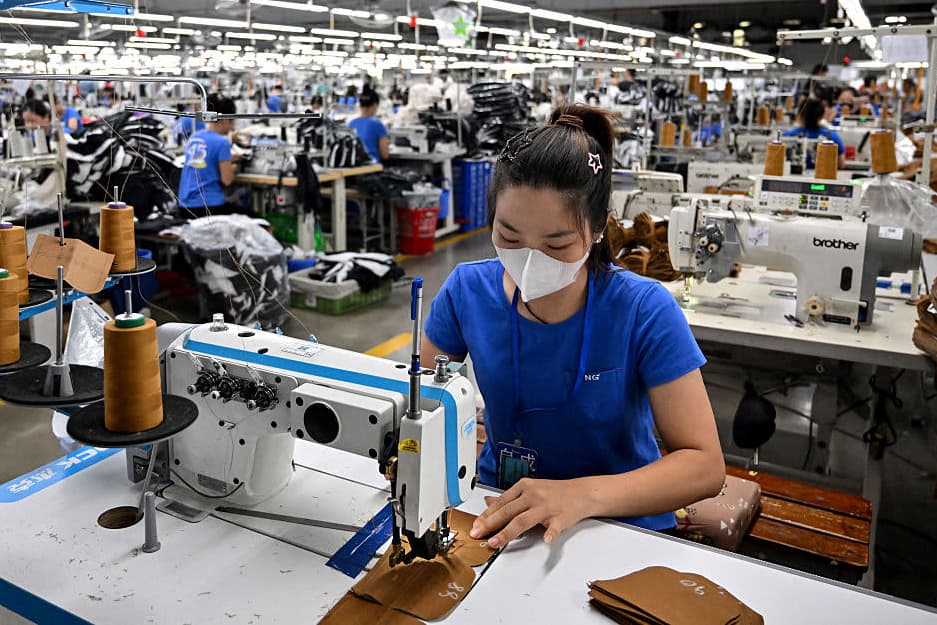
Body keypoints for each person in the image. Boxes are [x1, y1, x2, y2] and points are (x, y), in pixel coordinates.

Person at [423, 105, 725, 549]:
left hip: (620, 522)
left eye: (556, 244)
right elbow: (423, 407)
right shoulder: (467, 291)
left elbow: (704, 465)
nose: (529, 259)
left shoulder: (643, 310)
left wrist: (580, 495)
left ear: (599, 227)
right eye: (509, 237)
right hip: (501, 507)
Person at [177, 95, 241, 217]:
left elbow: (205, 159)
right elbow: (227, 180)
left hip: (185, 207)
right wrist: (234, 167)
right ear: (224, 120)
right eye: (232, 121)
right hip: (208, 207)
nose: (233, 126)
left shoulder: (195, 137)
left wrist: (228, 158)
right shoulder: (222, 142)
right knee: (254, 218)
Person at [783, 98, 846, 169]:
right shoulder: (832, 137)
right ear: (822, 116)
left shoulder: (786, 136)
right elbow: (841, 164)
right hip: (823, 175)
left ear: (800, 114)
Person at [347, 89, 389, 163]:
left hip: (354, 165)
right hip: (372, 166)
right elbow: (384, 155)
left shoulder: (350, 124)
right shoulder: (377, 124)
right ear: (375, 105)